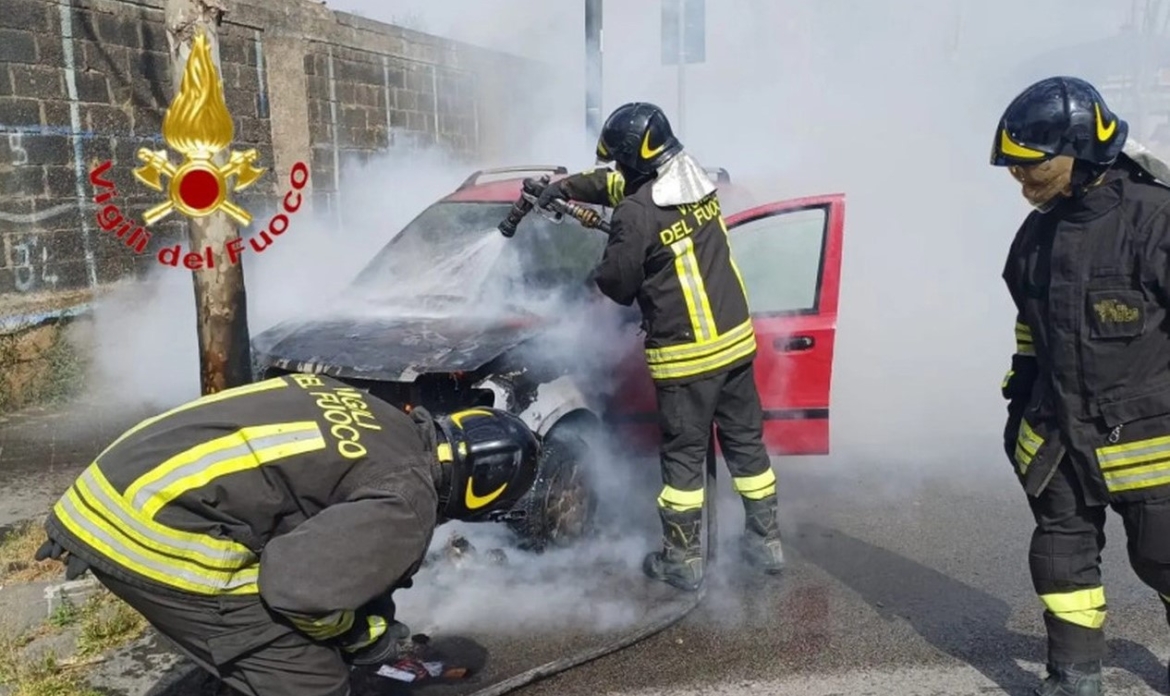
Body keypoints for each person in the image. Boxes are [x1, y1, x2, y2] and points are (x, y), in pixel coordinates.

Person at [33, 373, 541, 696]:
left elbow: (312, 529)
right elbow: (296, 590)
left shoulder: (383, 416)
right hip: (149, 527)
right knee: (310, 679)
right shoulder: (409, 501)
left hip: (115, 481)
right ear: (482, 495)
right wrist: (366, 640)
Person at [534, 101, 784, 592]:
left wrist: (605, 265)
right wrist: (562, 190)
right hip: (735, 344)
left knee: (684, 459)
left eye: (619, 160)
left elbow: (617, 284)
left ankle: (683, 559)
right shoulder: (692, 180)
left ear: (633, 159)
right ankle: (766, 542)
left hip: (687, 356)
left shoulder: (636, 214)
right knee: (746, 446)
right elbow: (615, 187)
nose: (616, 170)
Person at [992, 75, 1170, 696]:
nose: (1019, 179)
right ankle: (1074, 680)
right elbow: (1030, 327)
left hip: (1150, 443)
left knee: (1163, 557)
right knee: (1061, 563)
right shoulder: (1036, 237)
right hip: (1059, 435)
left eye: (1029, 165)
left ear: (1078, 150)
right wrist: (1022, 404)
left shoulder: (1156, 220)